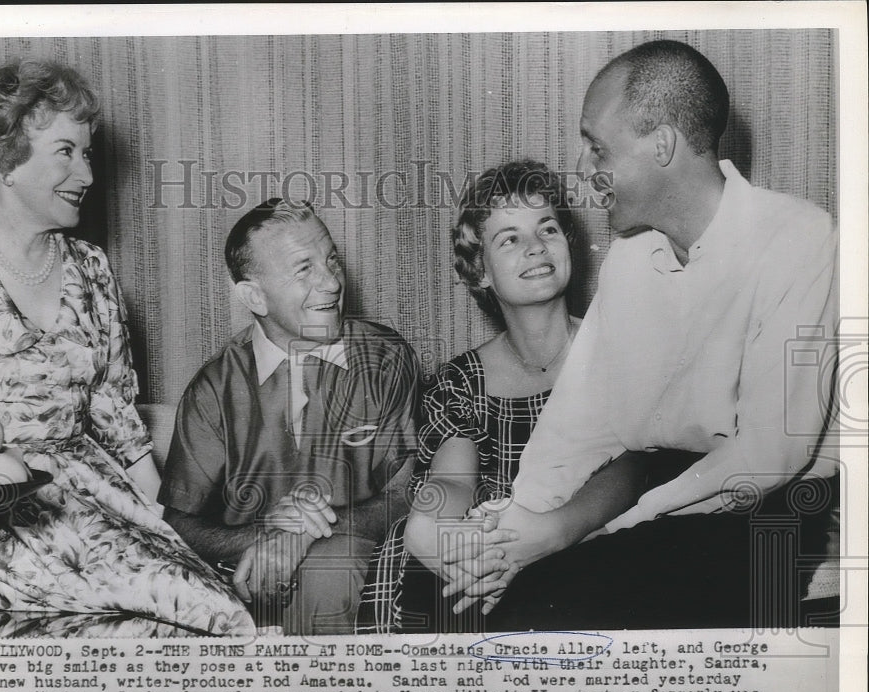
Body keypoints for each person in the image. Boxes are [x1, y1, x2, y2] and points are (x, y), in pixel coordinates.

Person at [452, 39, 839, 629]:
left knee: (553, 619)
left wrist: (613, 523)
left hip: (764, 506)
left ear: (662, 146)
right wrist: (519, 528)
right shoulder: (630, 261)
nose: (584, 169)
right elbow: (576, 426)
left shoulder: (800, 240)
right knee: (504, 613)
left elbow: (767, 455)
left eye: (597, 147)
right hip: (651, 490)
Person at [0, 59, 253, 637]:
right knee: (208, 614)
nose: (85, 172)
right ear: (7, 160)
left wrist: (168, 529)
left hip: (96, 501)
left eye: (87, 154)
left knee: (213, 607)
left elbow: (116, 416)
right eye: (66, 152)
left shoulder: (91, 268)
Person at [356, 160, 648, 634]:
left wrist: (552, 532)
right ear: (480, 272)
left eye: (547, 228)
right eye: (509, 238)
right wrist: (431, 531)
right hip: (494, 550)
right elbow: (453, 481)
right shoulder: (462, 381)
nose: (535, 247)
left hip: (593, 535)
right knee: (427, 584)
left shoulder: (619, 350)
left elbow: (636, 466)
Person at [159, 198, 419, 635]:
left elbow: (407, 490)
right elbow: (179, 524)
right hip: (249, 588)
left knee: (332, 567)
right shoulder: (214, 388)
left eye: (331, 259)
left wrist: (307, 534)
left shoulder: (388, 359)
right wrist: (264, 538)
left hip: (355, 584)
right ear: (254, 296)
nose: (332, 283)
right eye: (304, 269)